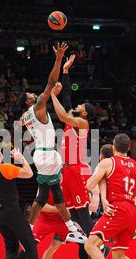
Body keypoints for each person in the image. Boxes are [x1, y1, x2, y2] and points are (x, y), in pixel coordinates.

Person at [19, 42, 85, 244]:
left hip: (42, 154)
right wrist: (58, 59)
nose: (34, 93)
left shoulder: (25, 116)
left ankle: (69, 229)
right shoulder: (38, 106)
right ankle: (30, 229)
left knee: (51, 194)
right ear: (29, 101)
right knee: (48, 194)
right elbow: (50, 82)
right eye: (31, 94)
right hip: (47, 154)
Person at [49, 55, 99, 259]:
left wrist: (51, 95)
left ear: (85, 113)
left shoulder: (82, 123)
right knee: (73, 216)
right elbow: (68, 97)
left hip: (76, 171)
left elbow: (60, 111)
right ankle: (83, 254)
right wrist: (66, 71)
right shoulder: (72, 119)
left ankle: (98, 250)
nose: (76, 105)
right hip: (65, 172)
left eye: (80, 106)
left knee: (83, 217)